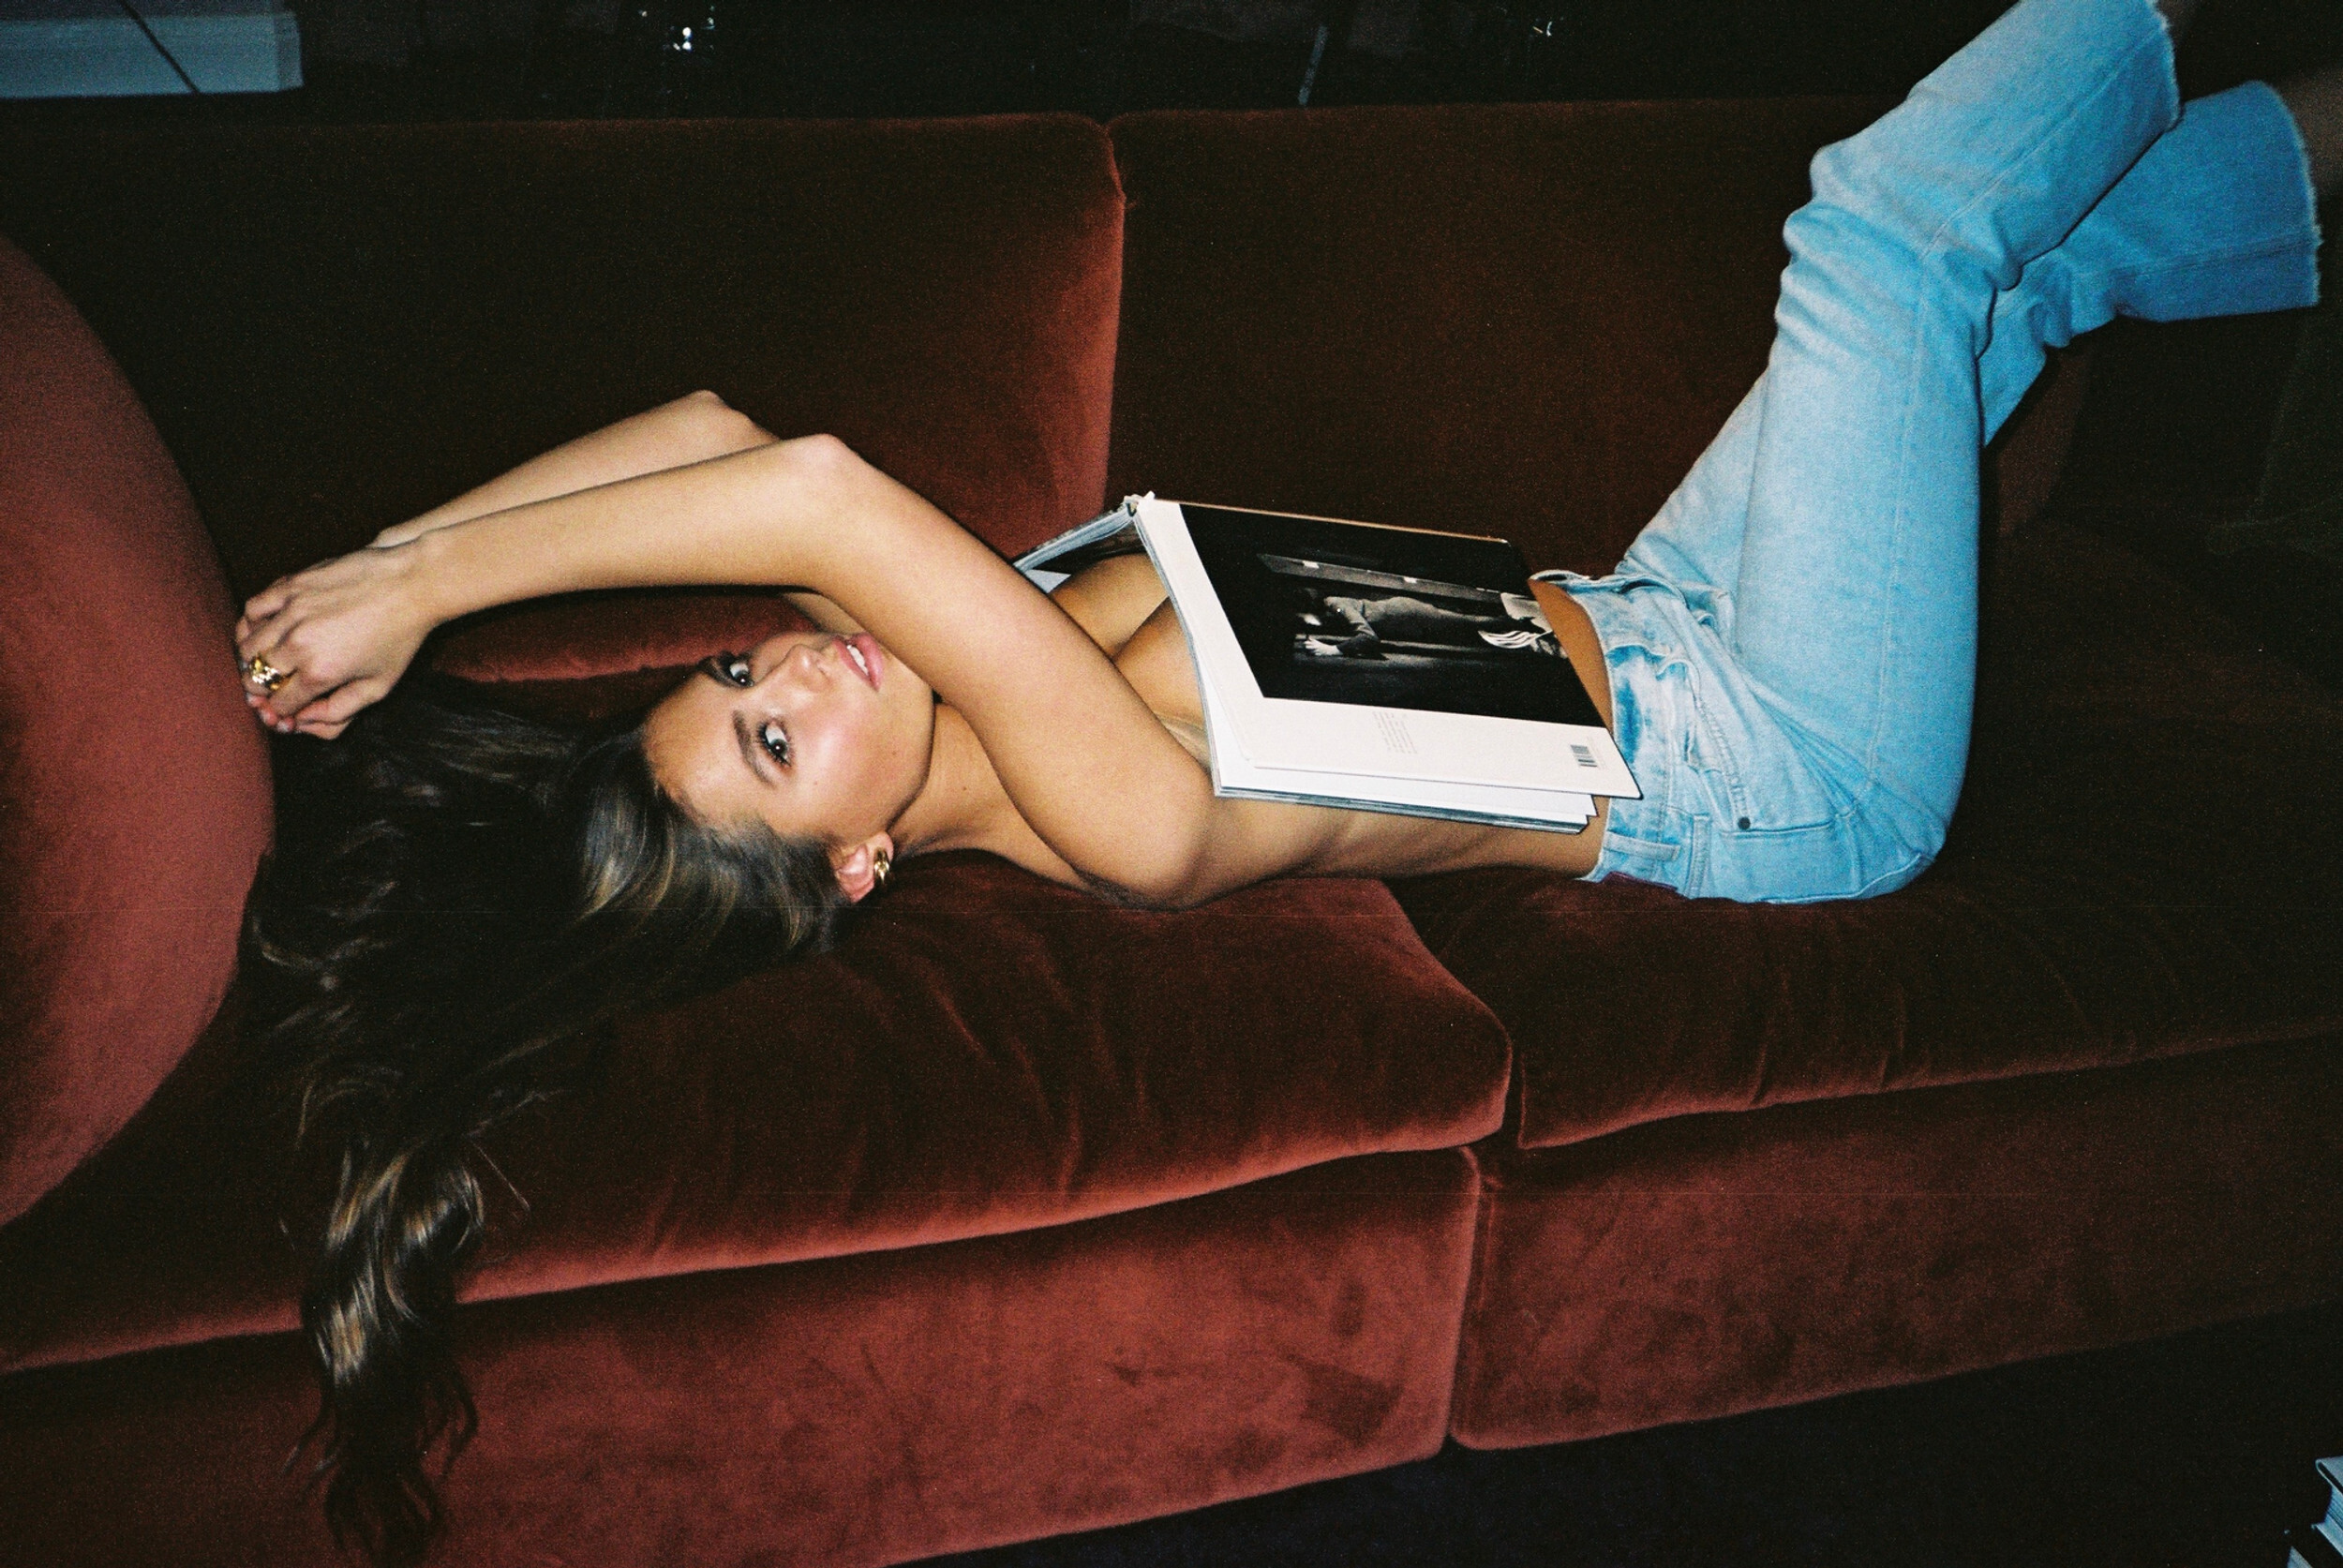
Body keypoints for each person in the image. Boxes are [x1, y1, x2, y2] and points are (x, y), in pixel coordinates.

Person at [231, 1, 2336, 1560]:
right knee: (1883, 235)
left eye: (728, 670)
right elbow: (810, 487)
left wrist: (401, 561)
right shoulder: (1108, 813)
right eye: (774, 740)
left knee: (2038, 279)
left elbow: (707, 433)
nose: (785, 662)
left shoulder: (949, 653)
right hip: (1781, 763)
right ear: (856, 863)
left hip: (1666, 603)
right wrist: (424, 592)